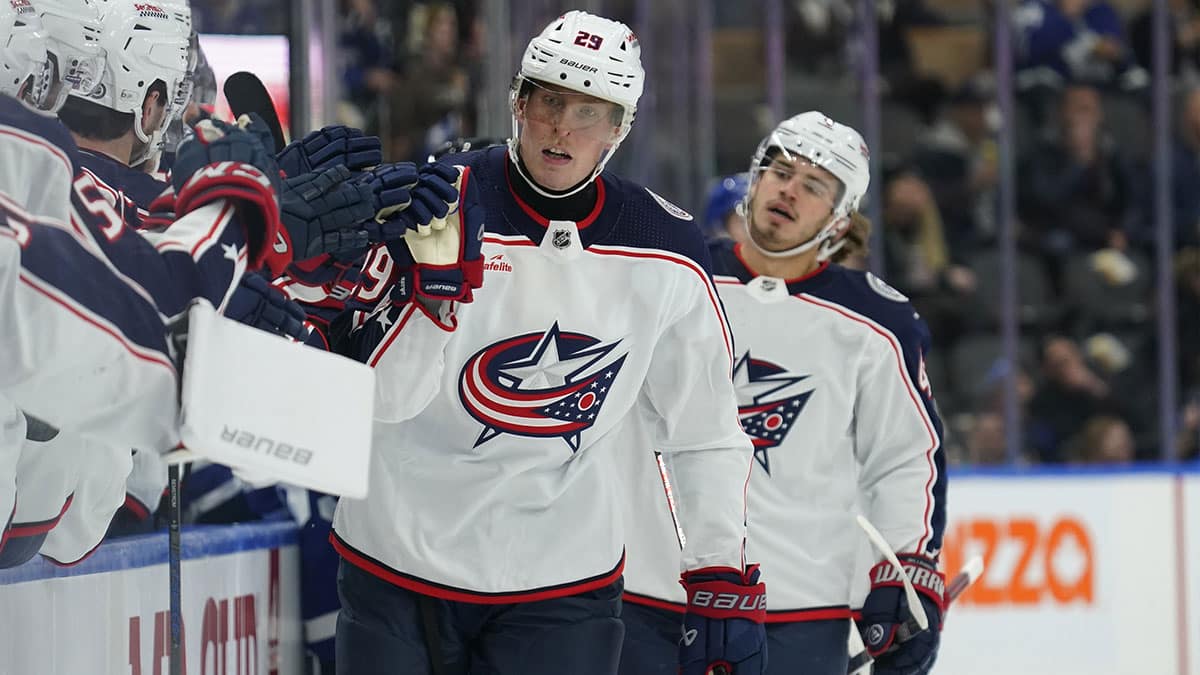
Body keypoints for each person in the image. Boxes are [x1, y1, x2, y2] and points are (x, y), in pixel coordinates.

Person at [330, 11, 765, 675]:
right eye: (550, 100)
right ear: (518, 103)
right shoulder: (431, 202)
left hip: (563, 576)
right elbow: (376, 402)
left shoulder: (666, 248)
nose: (563, 126)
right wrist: (432, 299)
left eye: (590, 111)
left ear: (620, 128)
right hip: (399, 557)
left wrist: (719, 568)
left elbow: (703, 426)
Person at [619, 112, 948, 675]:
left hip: (797, 612)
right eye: (779, 171)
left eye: (815, 186)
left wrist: (905, 568)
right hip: (647, 594)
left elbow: (904, 460)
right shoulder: (676, 273)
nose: (789, 190)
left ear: (841, 219)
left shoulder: (877, 320)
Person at [0, 0, 291, 562]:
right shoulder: (61, 204)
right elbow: (160, 311)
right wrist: (240, 213)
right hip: (67, 527)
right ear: (150, 101)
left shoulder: (63, 194)